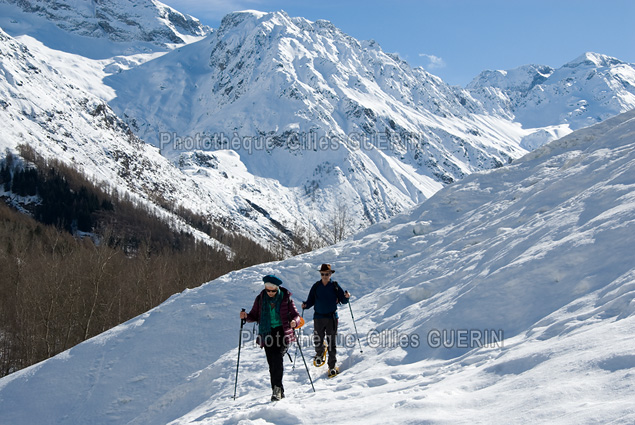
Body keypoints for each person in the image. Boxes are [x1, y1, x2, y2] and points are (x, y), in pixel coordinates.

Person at [240, 274, 301, 401]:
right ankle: (277, 390)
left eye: (273, 290)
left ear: (277, 288)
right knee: (272, 362)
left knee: (277, 359)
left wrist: (294, 321)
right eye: (268, 290)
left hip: (282, 332)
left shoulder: (286, 298)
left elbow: (296, 315)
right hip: (267, 332)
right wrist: (245, 316)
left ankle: (277, 390)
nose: (270, 293)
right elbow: (254, 316)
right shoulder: (260, 299)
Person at [302, 264, 350, 378]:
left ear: (330, 274)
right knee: (317, 338)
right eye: (323, 274)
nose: (325, 276)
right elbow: (310, 301)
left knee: (331, 342)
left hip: (332, 317)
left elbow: (343, 300)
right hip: (318, 317)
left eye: (327, 274)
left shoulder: (335, 286)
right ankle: (319, 354)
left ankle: (332, 366)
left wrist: (347, 297)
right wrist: (305, 305)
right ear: (320, 274)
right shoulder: (316, 286)